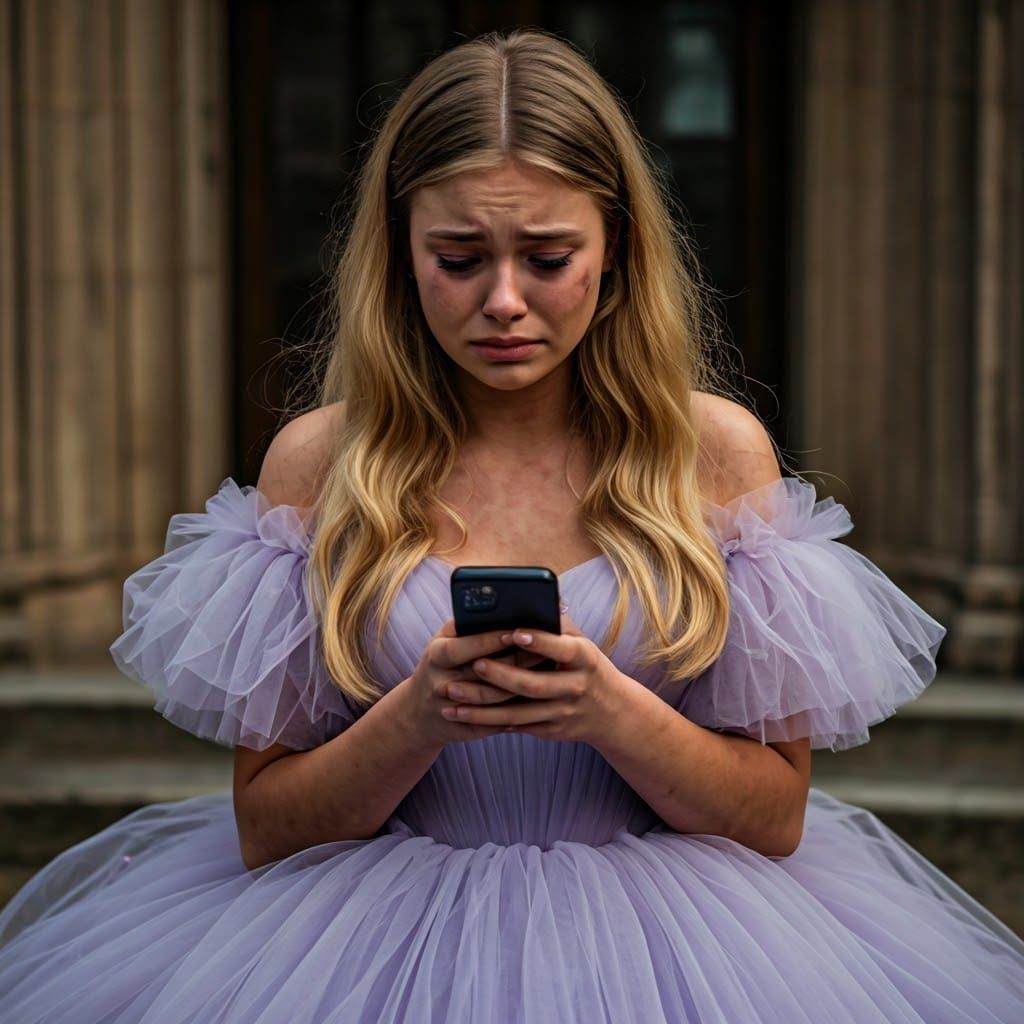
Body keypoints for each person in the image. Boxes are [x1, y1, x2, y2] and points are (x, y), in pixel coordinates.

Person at [1, 27, 1022, 1023]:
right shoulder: (319, 465)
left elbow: (773, 816)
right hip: (360, 951)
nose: (501, 301)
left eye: (545, 255)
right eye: (457, 256)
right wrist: (419, 716)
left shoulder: (712, 455)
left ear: (614, 247)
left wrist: (610, 710)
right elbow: (268, 828)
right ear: (399, 250)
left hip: (678, 954)